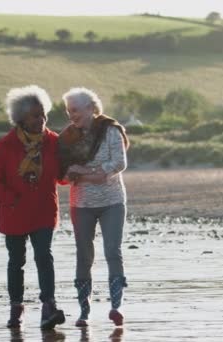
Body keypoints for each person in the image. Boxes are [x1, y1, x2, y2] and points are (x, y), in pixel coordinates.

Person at [0, 85, 66, 330]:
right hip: (14, 213)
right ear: (21, 118)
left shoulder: (54, 142)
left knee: (44, 257)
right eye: (35, 115)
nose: (41, 119)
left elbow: (62, 177)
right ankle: (16, 308)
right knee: (16, 261)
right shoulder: (6, 145)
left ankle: (48, 306)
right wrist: (12, 199)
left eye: (43, 114)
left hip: (43, 210)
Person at [58, 87, 130, 327]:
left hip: (112, 202)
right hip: (81, 204)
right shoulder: (67, 137)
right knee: (84, 255)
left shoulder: (110, 130)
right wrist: (90, 174)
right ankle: (84, 312)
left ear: (90, 108)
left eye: (75, 110)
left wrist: (85, 173)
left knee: (112, 251)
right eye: (69, 111)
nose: (71, 115)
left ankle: (116, 307)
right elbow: (65, 174)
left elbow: (119, 162)